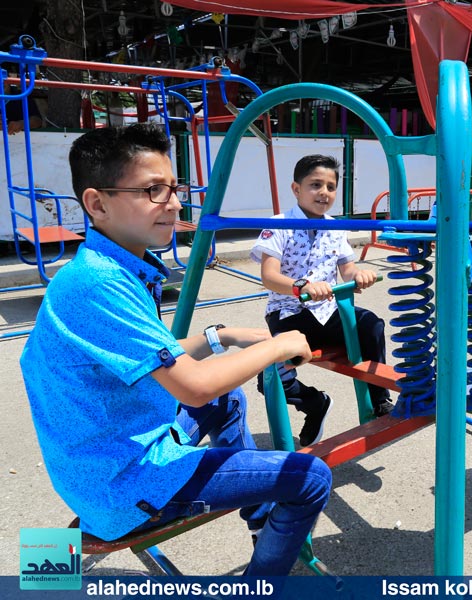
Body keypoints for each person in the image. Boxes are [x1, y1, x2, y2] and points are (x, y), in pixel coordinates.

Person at [20, 124, 331, 576]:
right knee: (310, 478)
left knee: (229, 400)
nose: (174, 202)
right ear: (97, 203)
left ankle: (260, 519)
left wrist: (220, 335)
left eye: (173, 188)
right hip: (121, 482)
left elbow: (157, 354)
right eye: (152, 190)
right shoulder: (100, 283)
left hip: (98, 459)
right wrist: (279, 344)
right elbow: (194, 388)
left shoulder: (108, 266)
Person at [251, 154, 393, 447]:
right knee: (271, 376)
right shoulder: (278, 224)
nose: (324, 192)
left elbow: (347, 268)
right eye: (315, 185)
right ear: (296, 189)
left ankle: (379, 400)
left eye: (330, 186)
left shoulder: (336, 226)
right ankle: (314, 403)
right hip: (290, 312)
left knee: (371, 325)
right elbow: (269, 276)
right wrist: (301, 285)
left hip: (328, 311)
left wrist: (360, 274)